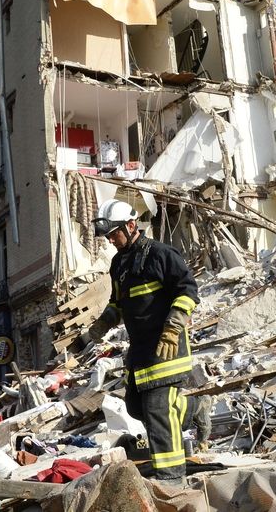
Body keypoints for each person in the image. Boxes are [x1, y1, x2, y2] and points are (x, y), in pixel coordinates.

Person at [90, 199, 210, 484]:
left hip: (167, 345)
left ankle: (171, 476)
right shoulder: (119, 263)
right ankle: (194, 408)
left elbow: (188, 290)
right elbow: (118, 302)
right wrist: (104, 321)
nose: (111, 241)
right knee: (135, 407)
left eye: (114, 234)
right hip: (141, 351)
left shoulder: (160, 254)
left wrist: (174, 325)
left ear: (131, 226)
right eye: (108, 237)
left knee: (157, 411)